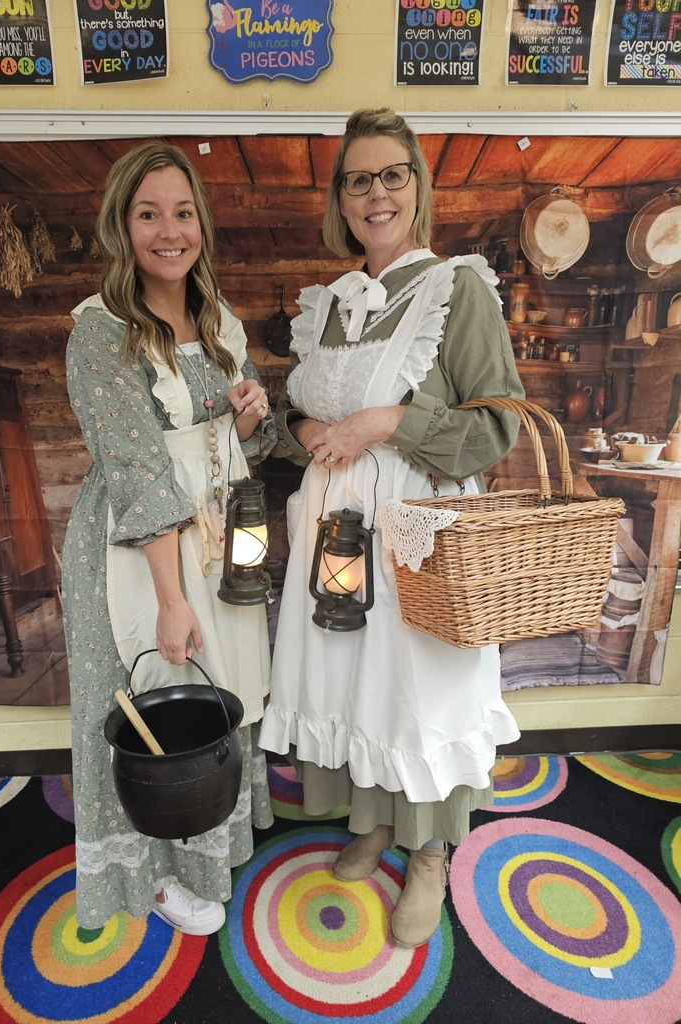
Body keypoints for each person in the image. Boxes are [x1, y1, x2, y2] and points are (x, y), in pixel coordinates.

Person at [258, 108, 525, 948]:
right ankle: (374, 823)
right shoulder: (329, 304)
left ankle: (430, 856)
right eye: (358, 178)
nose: (376, 193)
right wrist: (303, 433)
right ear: (342, 197)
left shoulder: (459, 287)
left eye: (392, 175)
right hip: (333, 528)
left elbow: (498, 428)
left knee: (419, 690)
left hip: (420, 531)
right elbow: (295, 419)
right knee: (351, 682)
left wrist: (388, 424)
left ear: (418, 186)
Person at [61, 142, 276, 936]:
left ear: (201, 223)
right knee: (158, 697)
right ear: (122, 225)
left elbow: (240, 434)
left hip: (215, 533)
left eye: (182, 212)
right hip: (140, 545)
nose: (169, 231)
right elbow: (138, 469)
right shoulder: (101, 330)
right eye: (148, 213)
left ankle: (208, 845)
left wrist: (250, 416)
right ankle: (153, 876)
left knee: (212, 701)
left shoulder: (217, 321)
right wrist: (170, 597)